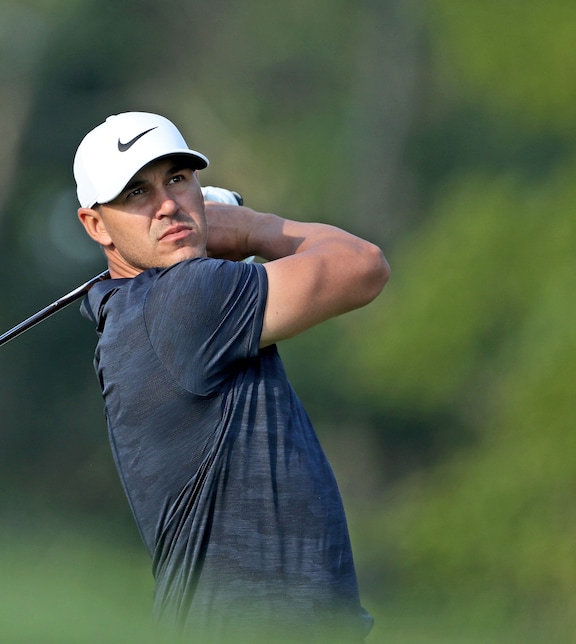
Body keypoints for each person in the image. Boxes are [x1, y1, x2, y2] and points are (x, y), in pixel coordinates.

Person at [73, 111, 390, 641]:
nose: (168, 204)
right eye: (136, 193)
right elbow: (363, 265)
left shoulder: (133, 313)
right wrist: (252, 227)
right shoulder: (183, 301)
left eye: (177, 178)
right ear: (97, 225)